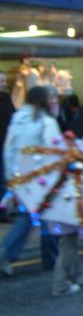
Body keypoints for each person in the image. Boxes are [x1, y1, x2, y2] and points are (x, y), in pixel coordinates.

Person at [1, 86, 61, 276]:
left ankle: (5, 252)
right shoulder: (45, 121)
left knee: (25, 219)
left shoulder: (17, 119)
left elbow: (9, 150)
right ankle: (51, 258)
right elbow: (54, 151)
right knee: (49, 220)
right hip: (42, 179)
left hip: (22, 179)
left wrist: (12, 179)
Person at [50, 222, 83, 297]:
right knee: (67, 249)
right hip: (64, 219)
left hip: (65, 219)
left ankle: (74, 276)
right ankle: (61, 286)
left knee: (70, 246)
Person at [0, 70, 15, 223]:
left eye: (4, 81)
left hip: (5, 145)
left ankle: (3, 212)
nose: (3, 84)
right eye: (1, 81)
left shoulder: (5, 98)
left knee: (4, 180)